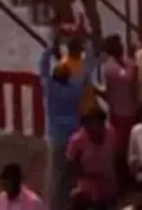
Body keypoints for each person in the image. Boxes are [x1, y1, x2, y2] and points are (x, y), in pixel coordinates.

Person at [40, 30, 99, 210]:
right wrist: (88, 47)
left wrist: (51, 49)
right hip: (73, 133)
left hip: (55, 135)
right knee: (71, 170)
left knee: (55, 174)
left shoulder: (49, 89)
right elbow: (88, 67)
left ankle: (55, 205)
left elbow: (43, 67)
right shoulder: (74, 88)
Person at [100, 34, 137, 190]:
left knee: (131, 146)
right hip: (119, 112)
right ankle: (122, 181)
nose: (121, 47)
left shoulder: (125, 62)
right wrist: (133, 62)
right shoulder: (110, 67)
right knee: (120, 148)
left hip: (131, 110)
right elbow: (128, 77)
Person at [66, 107, 119, 209]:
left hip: (108, 184)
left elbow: (116, 156)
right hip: (86, 189)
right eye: (91, 124)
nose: (95, 128)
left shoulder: (111, 134)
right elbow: (70, 165)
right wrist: (88, 176)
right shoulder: (77, 140)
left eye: (98, 124)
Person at [63, 35, 101, 116]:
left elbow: (96, 58)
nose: (80, 53)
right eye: (79, 51)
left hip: (87, 106)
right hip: (79, 110)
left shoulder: (82, 62)